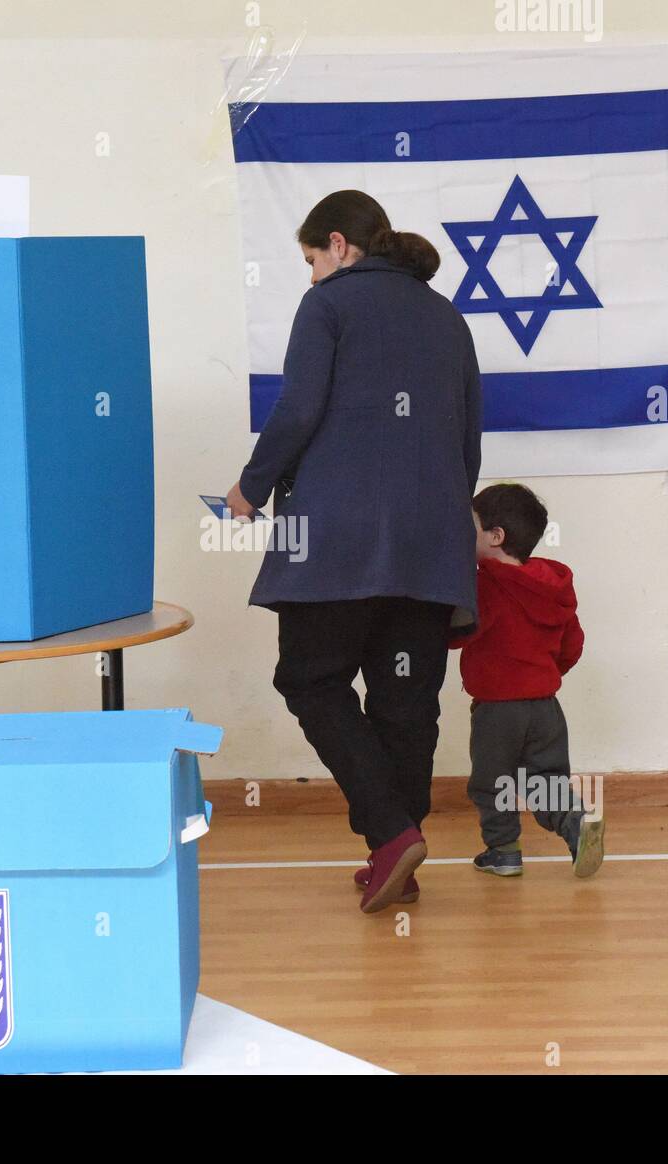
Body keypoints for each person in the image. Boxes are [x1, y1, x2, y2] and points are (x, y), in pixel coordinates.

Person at [226, 189, 482, 913]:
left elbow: (299, 407)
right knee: (407, 704)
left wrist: (251, 487)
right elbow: (469, 444)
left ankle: (393, 833)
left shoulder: (329, 305)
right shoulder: (447, 316)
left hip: (336, 542)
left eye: (311, 259)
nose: (310, 276)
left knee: (311, 679)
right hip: (429, 545)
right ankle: (397, 851)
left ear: (339, 245)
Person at [448, 483, 604, 878]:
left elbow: (456, 635)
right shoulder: (553, 587)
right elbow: (573, 644)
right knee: (544, 779)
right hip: (546, 706)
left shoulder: (485, 585)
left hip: (498, 709)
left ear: (495, 537)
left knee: (492, 782)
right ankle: (575, 824)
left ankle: (503, 851)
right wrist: (542, 675)